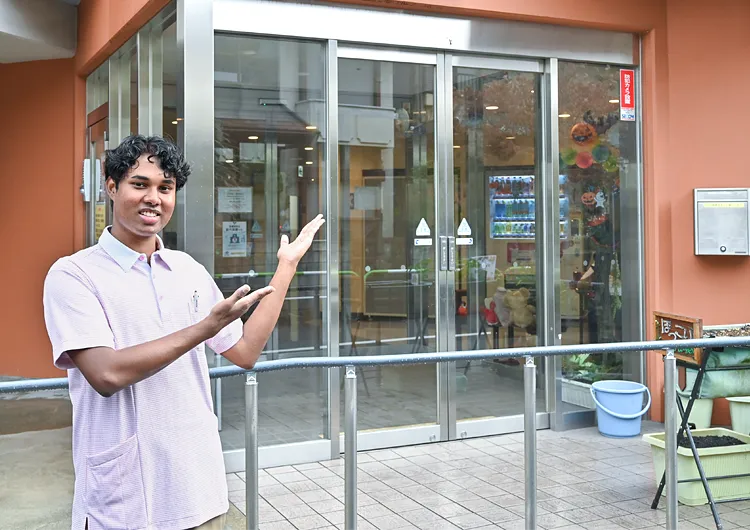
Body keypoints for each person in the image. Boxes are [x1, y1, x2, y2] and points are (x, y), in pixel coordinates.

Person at [42, 135, 325, 530]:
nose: (153, 198)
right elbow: (106, 374)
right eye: (139, 184)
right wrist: (203, 328)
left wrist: (287, 267)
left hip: (200, 489)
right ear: (111, 186)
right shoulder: (74, 275)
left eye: (166, 187)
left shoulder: (187, 269)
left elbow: (244, 352)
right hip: (125, 503)